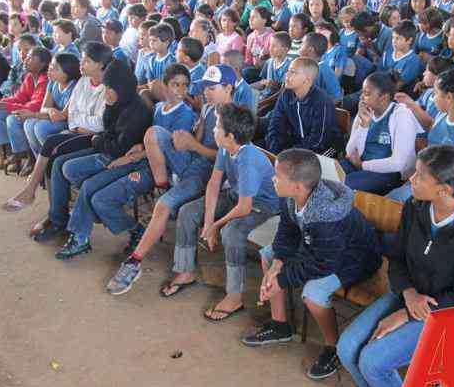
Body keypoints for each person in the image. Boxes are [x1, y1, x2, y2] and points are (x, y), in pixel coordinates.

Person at [338, 145, 454, 387]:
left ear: (443, 189)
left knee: (372, 360)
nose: (411, 179)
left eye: (420, 176)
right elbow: (397, 259)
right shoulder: (415, 207)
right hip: (409, 296)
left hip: (445, 313)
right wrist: (408, 294)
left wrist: (407, 313)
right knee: (347, 347)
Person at [243, 148, 382, 380]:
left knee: (313, 294)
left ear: (297, 186)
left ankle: (333, 347)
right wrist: (278, 263)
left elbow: (324, 264)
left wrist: (283, 278)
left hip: (353, 258)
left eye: (278, 176)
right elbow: (287, 231)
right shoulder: (291, 196)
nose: (272, 179)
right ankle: (280, 326)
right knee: (268, 254)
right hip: (318, 245)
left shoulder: (326, 215)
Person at [106, 64, 233, 296]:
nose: (206, 92)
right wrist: (184, 142)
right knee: (153, 133)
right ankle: (162, 185)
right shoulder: (207, 109)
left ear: (228, 88)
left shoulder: (234, 117)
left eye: (212, 88)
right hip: (190, 162)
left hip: (207, 174)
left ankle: (134, 263)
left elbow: (224, 159)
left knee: (164, 205)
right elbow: (195, 142)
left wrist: (192, 145)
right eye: (205, 87)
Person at [164, 103, 280, 321]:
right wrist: (208, 222)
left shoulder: (248, 159)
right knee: (188, 211)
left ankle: (234, 296)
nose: (213, 130)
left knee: (231, 233)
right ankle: (185, 270)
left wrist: (216, 226)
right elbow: (214, 183)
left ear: (230, 135)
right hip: (239, 196)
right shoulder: (226, 149)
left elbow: (246, 208)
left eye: (217, 126)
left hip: (263, 205)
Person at [41, 60, 151, 259]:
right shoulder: (117, 103)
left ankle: (81, 236)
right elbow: (108, 132)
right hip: (109, 151)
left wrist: (98, 139)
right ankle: (61, 220)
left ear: (123, 87)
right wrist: (108, 112)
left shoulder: (138, 111)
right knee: (61, 165)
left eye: (111, 88)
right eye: (106, 87)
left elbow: (118, 148)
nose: (107, 92)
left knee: (89, 186)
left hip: (128, 160)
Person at [7, 42, 112, 216]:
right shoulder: (83, 82)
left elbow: (100, 124)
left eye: (86, 61)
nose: (81, 65)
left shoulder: (107, 87)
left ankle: (36, 194)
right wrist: (79, 122)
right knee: (51, 152)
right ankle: (51, 208)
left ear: (100, 64)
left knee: (51, 145)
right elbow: (71, 114)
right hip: (77, 130)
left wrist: (78, 121)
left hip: (96, 137)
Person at [0, 46, 51, 173]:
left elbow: (35, 106)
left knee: (13, 119)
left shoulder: (45, 80)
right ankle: (8, 153)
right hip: (28, 109)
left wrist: (6, 106)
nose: (25, 60)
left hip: (40, 114)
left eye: (30, 58)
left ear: (42, 63)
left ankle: (28, 158)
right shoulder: (29, 76)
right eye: (26, 57)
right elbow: (19, 97)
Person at [343, 72, 418, 195]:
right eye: (362, 92)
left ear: (383, 98)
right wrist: (363, 126)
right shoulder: (365, 111)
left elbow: (398, 163)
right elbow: (350, 152)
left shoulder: (401, 115)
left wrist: (363, 165)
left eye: (366, 94)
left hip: (387, 173)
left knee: (343, 187)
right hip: (359, 164)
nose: (361, 97)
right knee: (327, 178)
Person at [266, 57, 340, 155]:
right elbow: (275, 123)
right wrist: (275, 150)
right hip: (297, 143)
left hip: (324, 149)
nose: (287, 75)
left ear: (307, 80)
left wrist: (289, 154)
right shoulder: (286, 94)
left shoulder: (322, 101)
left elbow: (318, 142)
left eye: (293, 72)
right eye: (288, 71)